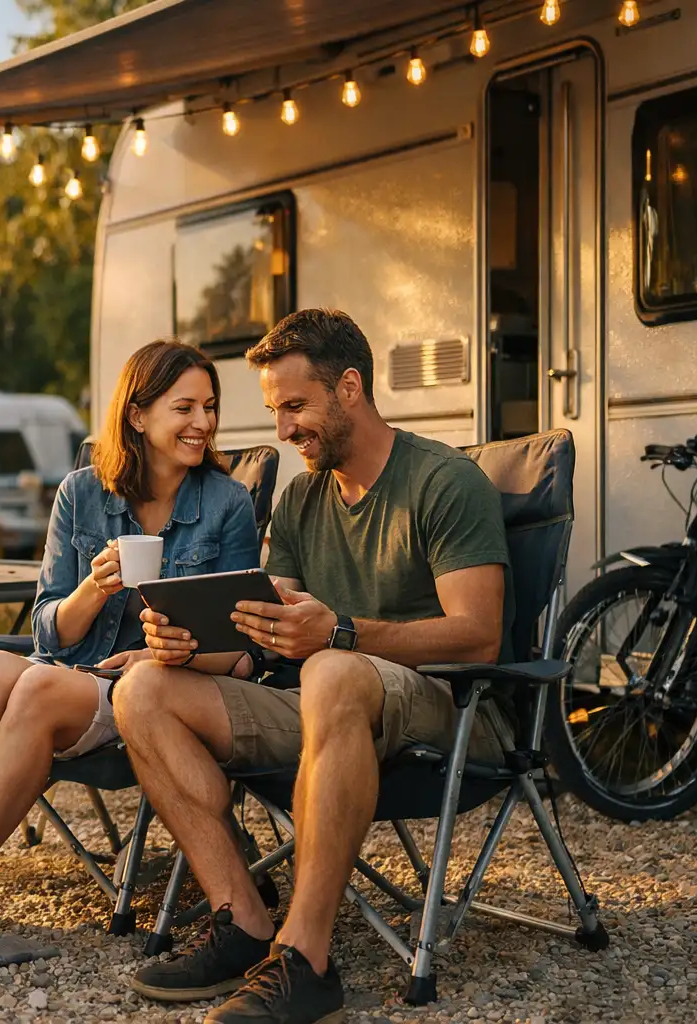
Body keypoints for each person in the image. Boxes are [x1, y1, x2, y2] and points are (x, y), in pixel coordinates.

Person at [113, 309, 515, 1023]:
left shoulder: (445, 482)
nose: (282, 430)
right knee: (143, 690)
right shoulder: (301, 497)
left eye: (295, 406)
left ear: (349, 388)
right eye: (275, 410)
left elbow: (479, 637)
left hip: (448, 709)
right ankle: (242, 921)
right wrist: (184, 647)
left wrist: (342, 633)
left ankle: (307, 961)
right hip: (324, 710)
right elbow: (265, 632)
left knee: (329, 667)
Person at [0, 339, 263, 965]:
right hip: (76, 671)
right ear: (137, 415)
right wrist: (93, 588)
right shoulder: (80, 493)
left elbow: (239, 641)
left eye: (209, 407)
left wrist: (158, 657)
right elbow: (47, 631)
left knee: (36, 684)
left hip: (157, 689)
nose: (203, 422)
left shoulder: (227, 504)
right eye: (185, 407)